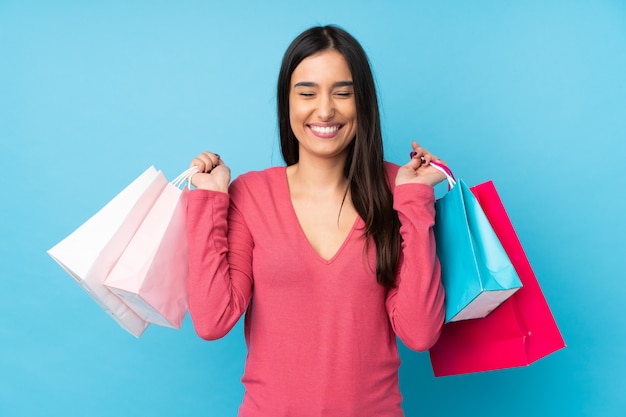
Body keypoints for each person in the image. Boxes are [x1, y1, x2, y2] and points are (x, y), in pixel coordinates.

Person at [186, 25, 446, 417]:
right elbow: (212, 320)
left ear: (364, 103)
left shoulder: (398, 190)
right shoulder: (251, 194)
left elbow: (420, 332)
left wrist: (415, 200)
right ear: (286, 102)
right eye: (307, 93)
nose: (325, 110)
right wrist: (208, 199)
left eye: (342, 93)